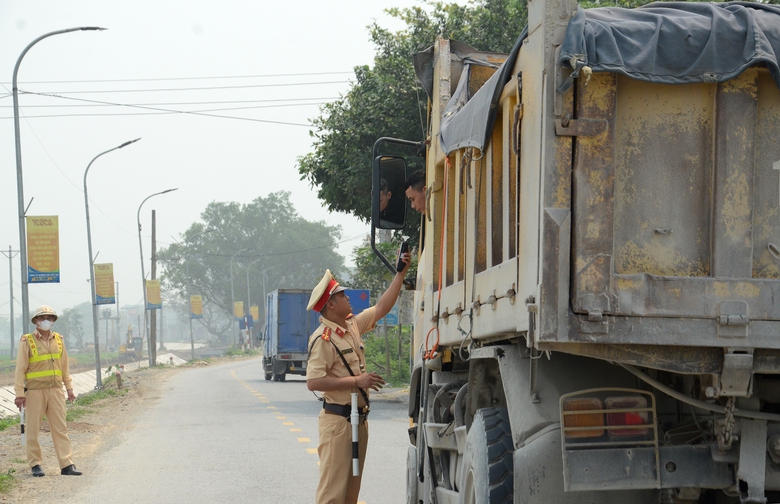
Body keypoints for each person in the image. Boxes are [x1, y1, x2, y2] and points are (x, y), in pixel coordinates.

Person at [306, 257, 410, 504]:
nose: (347, 297)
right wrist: (357, 381)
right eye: (342, 295)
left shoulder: (351, 325)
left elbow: (382, 307)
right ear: (331, 304)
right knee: (332, 496)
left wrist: (400, 274)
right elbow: (313, 381)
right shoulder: (324, 339)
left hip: (358, 420)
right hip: (337, 424)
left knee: (350, 496)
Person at [14, 306, 82, 477]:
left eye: (49, 318)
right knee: (32, 429)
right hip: (35, 391)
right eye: (42, 318)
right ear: (36, 321)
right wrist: (19, 393)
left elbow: (64, 368)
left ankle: (67, 464)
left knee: (60, 428)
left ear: (53, 321)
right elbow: (20, 369)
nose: (46, 321)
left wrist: (69, 388)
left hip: (56, 391)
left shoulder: (59, 340)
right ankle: (35, 464)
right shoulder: (27, 341)